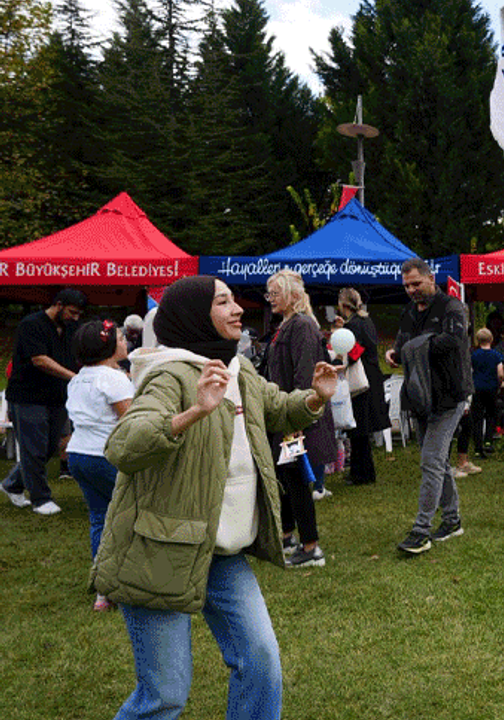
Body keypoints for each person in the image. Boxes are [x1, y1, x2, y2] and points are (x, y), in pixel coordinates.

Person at [93, 275, 336, 720]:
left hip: (221, 551)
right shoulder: (170, 374)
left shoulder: (237, 368)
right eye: (222, 302)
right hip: (159, 550)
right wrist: (194, 412)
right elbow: (124, 446)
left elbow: (277, 405)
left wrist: (316, 399)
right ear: (192, 315)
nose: (237, 309)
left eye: (233, 300)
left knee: (261, 661)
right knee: (165, 695)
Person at [388, 259, 473, 554]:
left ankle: (421, 530)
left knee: (431, 462)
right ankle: (452, 520)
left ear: (430, 278)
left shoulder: (452, 307)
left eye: (416, 283)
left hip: (450, 396)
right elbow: (402, 346)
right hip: (421, 397)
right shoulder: (409, 313)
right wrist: (396, 354)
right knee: (438, 462)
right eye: (407, 286)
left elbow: (453, 340)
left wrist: (417, 347)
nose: (412, 290)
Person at [264, 270, 335, 568]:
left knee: (295, 478)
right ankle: (287, 534)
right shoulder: (286, 325)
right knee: (285, 477)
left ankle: (310, 546)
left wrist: (298, 416)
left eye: (275, 293)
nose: (270, 299)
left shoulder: (302, 326)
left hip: (297, 419)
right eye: (269, 293)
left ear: (293, 295)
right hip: (284, 415)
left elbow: (306, 376)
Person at [65, 319, 133, 611]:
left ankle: (103, 592)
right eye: (120, 337)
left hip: (78, 454)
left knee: (99, 518)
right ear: (107, 346)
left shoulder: (78, 377)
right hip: (107, 456)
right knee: (130, 516)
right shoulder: (114, 379)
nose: (125, 341)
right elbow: (130, 421)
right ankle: (129, 581)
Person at [2, 288, 86, 515]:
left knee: (49, 447)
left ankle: (12, 484)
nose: (75, 318)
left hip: (57, 398)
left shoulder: (70, 328)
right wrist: (74, 377)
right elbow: (40, 360)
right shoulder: (32, 325)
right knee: (34, 448)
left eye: (78, 314)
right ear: (58, 305)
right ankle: (41, 499)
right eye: (72, 312)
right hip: (27, 396)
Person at [336, 287, 391, 486]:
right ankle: (363, 471)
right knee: (362, 429)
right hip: (372, 376)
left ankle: (362, 473)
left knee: (358, 428)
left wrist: (340, 361)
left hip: (361, 380)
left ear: (343, 305)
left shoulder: (354, 326)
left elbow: (356, 351)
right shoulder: (366, 321)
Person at [468, 327, 504, 462]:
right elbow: (500, 373)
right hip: (491, 388)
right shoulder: (496, 355)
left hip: (477, 389)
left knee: (477, 417)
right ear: (491, 339)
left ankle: (478, 448)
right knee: (491, 414)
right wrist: (499, 384)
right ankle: (488, 441)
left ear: (478, 340)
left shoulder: (474, 355)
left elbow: (469, 371)